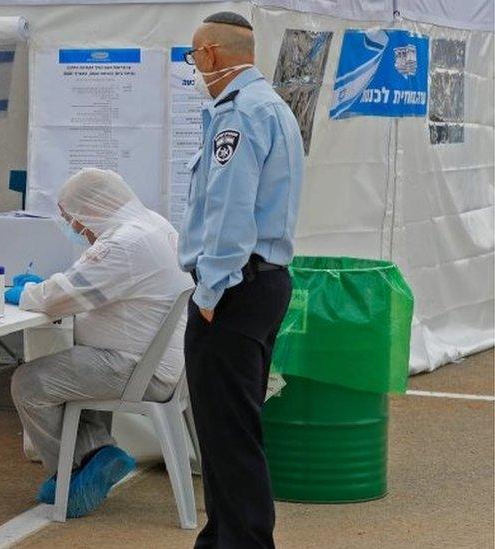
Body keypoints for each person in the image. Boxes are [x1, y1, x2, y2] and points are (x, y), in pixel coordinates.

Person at [179, 12, 304, 548]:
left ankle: (240, 542)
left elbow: (231, 212)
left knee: (226, 432)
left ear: (210, 55)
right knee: (233, 428)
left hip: (234, 288)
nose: (194, 67)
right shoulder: (270, 107)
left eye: (193, 57)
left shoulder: (239, 114)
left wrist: (210, 291)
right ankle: (230, 538)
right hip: (260, 282)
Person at [8, 168, 193, 518]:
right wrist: (47, 289)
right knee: (69, 368)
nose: (76, 229)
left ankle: (73, 474)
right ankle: (97, 454)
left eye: (74, 220)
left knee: (29, 382)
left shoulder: (124, 242)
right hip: (161, 365)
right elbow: (85, 284)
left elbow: (57, 299)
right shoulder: (152, 224)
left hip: (136, 369)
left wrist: (22, 292)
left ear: (93, 208)